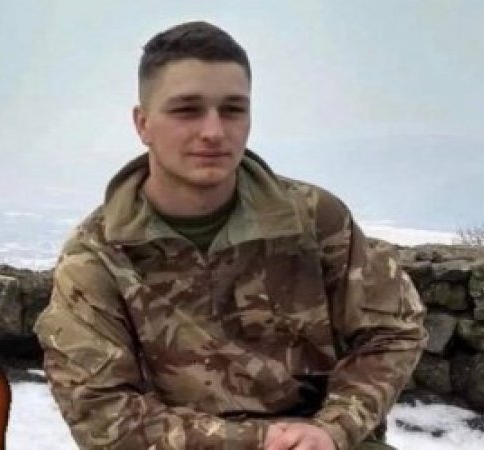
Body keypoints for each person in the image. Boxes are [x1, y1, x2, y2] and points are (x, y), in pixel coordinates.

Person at [34, 21, 426, 450]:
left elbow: (392, 332)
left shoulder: (315, 221)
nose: (214, 132)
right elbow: (103, 415)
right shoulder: (97, 256)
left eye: (233, 110)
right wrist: (262, 440)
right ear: (142, 124)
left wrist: (333, 428)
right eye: (187, 110)